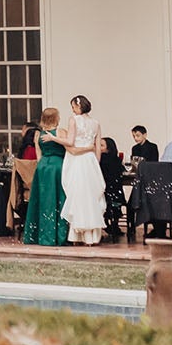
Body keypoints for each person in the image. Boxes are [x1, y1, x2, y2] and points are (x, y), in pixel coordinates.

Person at [58, 94, 106, 245]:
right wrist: (94, 163)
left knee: (78, 195)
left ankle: (77, 234)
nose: (72, 110)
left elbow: (71, 141)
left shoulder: (74, 120)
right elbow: (98, 149)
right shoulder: (96, 123)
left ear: (78, 107)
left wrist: (55, 139)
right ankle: (91, 236)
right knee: (90, 196)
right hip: (90, 160)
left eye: (73, 107)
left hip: (77, 160)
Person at [21, 107, 67, 246]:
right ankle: (58, 235)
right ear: (56, 118)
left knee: (43, 199)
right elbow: (68, 149)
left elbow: (38, 155)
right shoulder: (60, 132)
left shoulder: (38, 134)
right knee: (58, 197)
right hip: (57, 166)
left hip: (43, 167)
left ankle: (40, 235)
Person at [99, 136, 127, 239]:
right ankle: (115, 224)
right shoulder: (117, 161)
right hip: (116, 195)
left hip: (105, 193)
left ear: (108, 148)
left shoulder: (100, 160)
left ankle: (106, 223)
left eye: (101, 145)